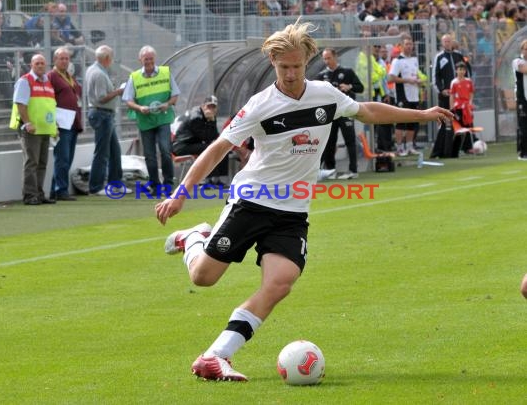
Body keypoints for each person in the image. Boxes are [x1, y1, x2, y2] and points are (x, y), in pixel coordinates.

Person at [155, 20, 453, 382]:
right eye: (284, 67)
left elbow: (367, 111)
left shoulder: (325, 94)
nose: (292, 73)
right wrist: (181, 192)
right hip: (253, 200)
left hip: (293, 210)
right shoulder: (260, 105)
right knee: (203, 277)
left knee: (280, 282)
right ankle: (194, 238)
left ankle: (216, 356)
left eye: (297, 66)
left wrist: (420, 114)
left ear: (306, 62)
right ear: (273, 64)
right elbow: (219, 148)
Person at [123, 45, 180, 193]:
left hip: (163, 118)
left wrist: (167, 104)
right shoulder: (134, 77)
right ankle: (154, 185)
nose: (148, 61)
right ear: (140, 59)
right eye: (145, 59)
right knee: (149, 155)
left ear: (155, 59)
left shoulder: (165, 73)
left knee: (165, 150)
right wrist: (139, 108)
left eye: (150, 58)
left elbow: (175, 95)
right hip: (145, 120)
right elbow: (128, 99)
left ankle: (168, 184)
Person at [10, 53, 57, 205]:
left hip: (44, 129)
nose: (40, 65)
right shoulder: (25, 81)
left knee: (41, 163)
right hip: (31, 129)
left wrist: (53, 126)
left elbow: (49, 106)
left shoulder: (47, 82)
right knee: (31, 162)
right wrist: (27, 123)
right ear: (31, 65)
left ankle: (39, 194)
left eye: (42, 63)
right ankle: (30, 195)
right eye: (37, 63)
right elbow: (21, 104)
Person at [315, 48, 364, 180]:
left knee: (350, 140)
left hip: (346, 111)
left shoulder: (347, 72)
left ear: (335, 57)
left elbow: (360, 87)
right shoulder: (321, 76)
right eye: (325, 59)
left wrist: (349, 87)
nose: (327, 61)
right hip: (330, 113)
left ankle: (353, 170)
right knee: (330, 142)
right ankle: (330, 170)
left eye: (329, 58)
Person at [85, 45, 126, 195]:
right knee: (102, 152)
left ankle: (115, 183)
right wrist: (118, 91)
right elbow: (101, 98)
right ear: (107, 59)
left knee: (114, 150)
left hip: (103, 115)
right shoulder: (99, 74)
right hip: (102, 114)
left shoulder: (92, 70)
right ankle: (95, 186)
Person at [48, 47, 82, 201]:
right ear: (55, 60)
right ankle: (61, 190)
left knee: (67, 157)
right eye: (61, 58)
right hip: (61, 123)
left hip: (73, 121)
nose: (64, 61)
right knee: (62, 157)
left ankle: (55, 190)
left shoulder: (69, 75)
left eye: (67, 58)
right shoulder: (52, 76)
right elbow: (49, 99)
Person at [172, 95, 229, 184]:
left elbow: (213, 136)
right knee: (209, 148)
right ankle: (209, 179)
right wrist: (211, 121)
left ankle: (217, 179)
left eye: (213, 107)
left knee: (223, 147)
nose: (211, 109)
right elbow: (206, 137)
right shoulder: (196, 116)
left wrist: (212, 120)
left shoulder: (210, 116)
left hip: (191, 144)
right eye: (208, 106)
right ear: (203, 106)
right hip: (181, 146)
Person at [430, 34, 469, 158]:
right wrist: (442, 90)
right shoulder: (439, 57)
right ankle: (439, 151)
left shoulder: (459, 56)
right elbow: (435, 77)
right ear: (442, 43)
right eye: (445, 41)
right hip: (446, 97)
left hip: (460, 98)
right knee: (444, 123)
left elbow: (467, 73)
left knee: (460, 122)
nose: (447, 43)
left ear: (452, 42)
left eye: (449, 41)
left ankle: (458, 149)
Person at [388, 37, 426, 156]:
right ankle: (399, 147)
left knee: (412, 121)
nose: (409, 46)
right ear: (402, 46)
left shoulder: (414, 59)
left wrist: (419, 81)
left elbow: (415, 74)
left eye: (411, 44)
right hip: (402, 96)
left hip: (414, 95)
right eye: (407, 44)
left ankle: (409, 146)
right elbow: (391, 78)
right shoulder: (397, 61)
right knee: (401, 122)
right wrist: (407, 80)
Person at [449, 61, 475, 156]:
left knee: (468, 127)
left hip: (467, 108)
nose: (461, 71)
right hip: (458, 108)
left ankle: (468, 148)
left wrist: (470, 103)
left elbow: (471, 93)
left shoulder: (469, 81)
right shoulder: (454, 82)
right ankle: (456, 149)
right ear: (456, 70)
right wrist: (452, 108)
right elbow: (451, 95)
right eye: (459, 69)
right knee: (459, 129)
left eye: (463, 69)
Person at [512, 40, 527, 161]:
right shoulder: (517, 61)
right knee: (523, 126)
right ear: (522, 50)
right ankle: (523, 153)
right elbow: (524, 69)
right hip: (522, 98)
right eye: (526, 49)